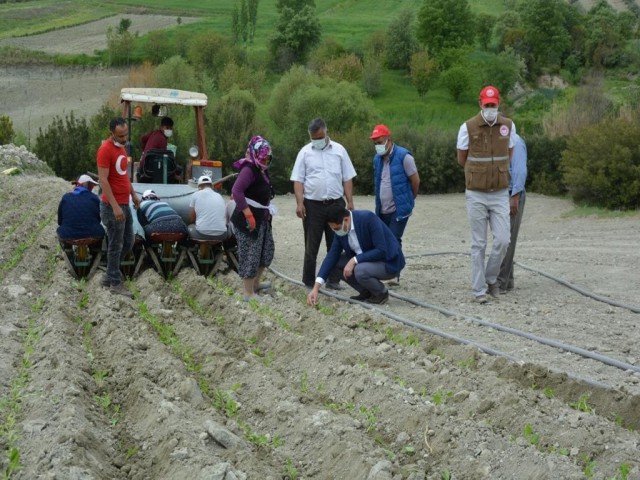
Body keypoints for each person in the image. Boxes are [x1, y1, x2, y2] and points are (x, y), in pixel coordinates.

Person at [456, 85, 516, 304]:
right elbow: (461, 158)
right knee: (478, 243)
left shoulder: (508, 126)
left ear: (499, 104)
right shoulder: (467, 127)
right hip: (476, 193)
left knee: (503, 240)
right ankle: (479, 289)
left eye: (494, 104)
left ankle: (491, 277)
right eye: (487, 104)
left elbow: (510, 153)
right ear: (480, 104)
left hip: (500, 192)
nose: (491, 108)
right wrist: (478, 174)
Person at [290, 117, 357, 289]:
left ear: (326, 133)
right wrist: (300, 203)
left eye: (320, 137)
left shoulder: (339, 150)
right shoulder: (304, 153)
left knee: (336, 243)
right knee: (311, 245)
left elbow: (347, 177)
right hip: (313, 205)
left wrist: (349, 201)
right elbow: (298, 181)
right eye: (314, 138)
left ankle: (333, 280)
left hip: (336, 204)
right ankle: (309, 280)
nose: (317, 141)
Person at [306, 205, 405, 306]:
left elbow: (381, 250)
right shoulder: (341, 231)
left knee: (360, 270)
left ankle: (381, 293)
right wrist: (316, 288)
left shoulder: (367, 218)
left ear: (346, 219)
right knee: (335, 263)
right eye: (333, 229)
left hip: (388, 261)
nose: (336, 231)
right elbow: (331, 256)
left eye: (337, 228)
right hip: (367, 261)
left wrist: (354, 260)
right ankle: (366, 291)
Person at [229, 135, 276, 302]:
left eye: (268, 158)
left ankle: (256, 284)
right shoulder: (249, 170)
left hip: (262, 219)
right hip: (248, 221)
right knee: (251, 254)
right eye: (263, 157)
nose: (265, 160)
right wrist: (248, 214)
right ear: (255, 154)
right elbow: (237, 191)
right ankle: (248, 293)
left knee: (266, 252)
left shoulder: (262, 169)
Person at [97, 117, 140, 298]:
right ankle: (115, 282)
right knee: (116, 244)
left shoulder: (121, 148)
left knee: (129, 241)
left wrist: (133, 194)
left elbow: (123, 176)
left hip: (125, 203)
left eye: (126, 134)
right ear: (112, 133)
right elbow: (103, 180)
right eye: (121, 136)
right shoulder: (105, 150)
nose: (124, 138)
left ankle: (109, 273)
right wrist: (115, 207)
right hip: (112, 206)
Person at [369, 124, 420, 245]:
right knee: (384, 240)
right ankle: (392, 263)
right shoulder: (377, 159)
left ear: (388, 140)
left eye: (380, 142)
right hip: (382, 209)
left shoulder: (404, 157)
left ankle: (395, 264)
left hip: (398, 210)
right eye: (375, 144)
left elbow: (416, 180)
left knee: (393, 240)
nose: (377, 146)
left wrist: (409, 198)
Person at [498, 132, 527, 294]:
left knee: (506, 240)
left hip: (512, 196)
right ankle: (508, 280)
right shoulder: (500, 140)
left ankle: (501, 281)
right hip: (503, 195)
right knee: (506, 238)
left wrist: (515, 195)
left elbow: (519, 170)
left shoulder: (515, 141)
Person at [57, 174, 104, 242]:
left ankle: (68, 250)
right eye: (92, 185)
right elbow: (99, 218)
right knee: (101, 233)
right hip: (93, 234)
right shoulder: (95, 198)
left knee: (60, 232)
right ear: (88, 185)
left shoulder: (66, 197)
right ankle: (94, 251)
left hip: (67, 234)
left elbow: (60, 220)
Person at [138, 116, 181, 182]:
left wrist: (145, 151)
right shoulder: (162, 139)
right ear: (161, 127)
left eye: (170, 128)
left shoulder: (153, 133)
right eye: (167, 128)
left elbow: (142, 139)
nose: (169, 130)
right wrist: (175, 175)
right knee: (177, 171)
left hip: (144, 167)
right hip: (152, 169)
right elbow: (164, 160)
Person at [188, 175, 228, 241]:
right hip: (222, 234)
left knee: (189, 227)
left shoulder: (195, 195)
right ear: (211, 186)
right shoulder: (219, 196)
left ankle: (191, 249)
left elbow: (192, 218)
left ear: (199, 187)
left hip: (202, 233)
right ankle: (217, 249)